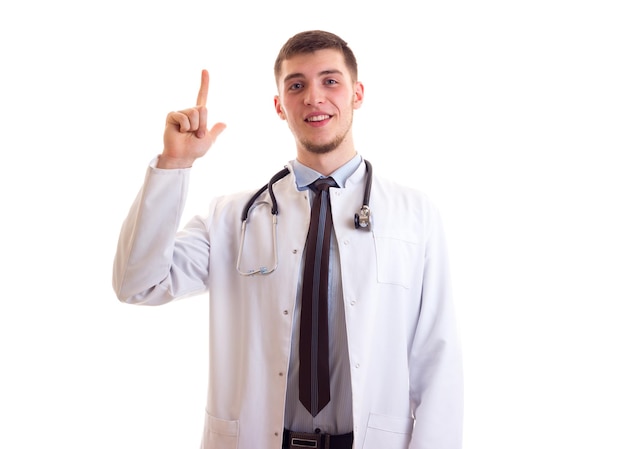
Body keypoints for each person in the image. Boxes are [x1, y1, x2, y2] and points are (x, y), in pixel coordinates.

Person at [113, 30, 463, 449]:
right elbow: (137, 284)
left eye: (330, 81)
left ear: (358, 94)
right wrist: (174, 163)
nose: (314, 97)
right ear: (279, 106)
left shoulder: (413, 214)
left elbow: (436, 357)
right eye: (296, 85)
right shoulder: (231, 218)